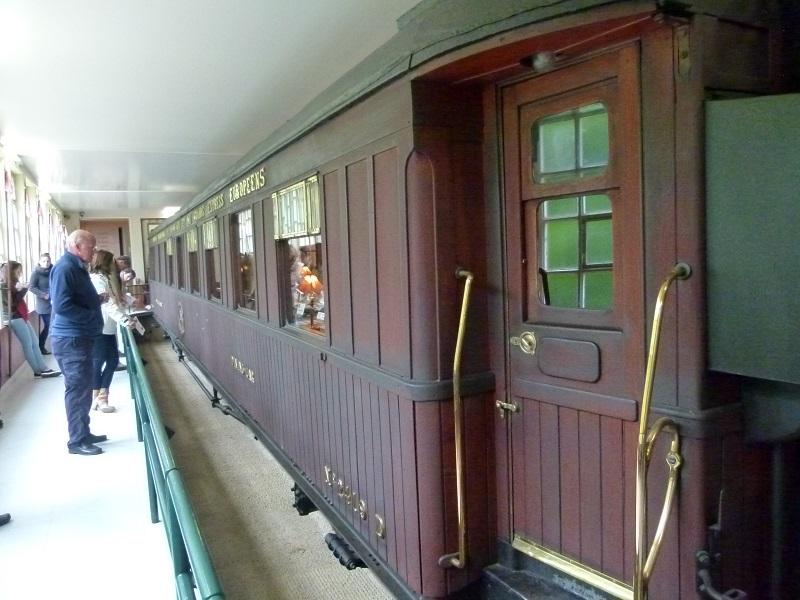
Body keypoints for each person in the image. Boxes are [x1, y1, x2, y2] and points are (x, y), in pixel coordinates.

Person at [50, 230, 107, 456]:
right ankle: (77, 441)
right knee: (77, 390)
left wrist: (96, 300)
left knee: (83, 388)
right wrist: (91, 316)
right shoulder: (65, 268)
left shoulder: (76, 266)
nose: (94, 251)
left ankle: (84, 432)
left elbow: (77, 299)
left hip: (79, 338)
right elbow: (62, 306)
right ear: (76, 246)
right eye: (91, 247)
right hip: (71, 339)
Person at [90, 250, 137, 413]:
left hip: (108, 327)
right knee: (98, 362)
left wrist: (125, 309)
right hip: (100, 328)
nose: (114, 264)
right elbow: (108, 306)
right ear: (105, 262)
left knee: (112, 361)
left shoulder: (107, 279)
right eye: (112, 261)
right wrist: (125, 320)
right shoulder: (97, 280)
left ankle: (101, 397)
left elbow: (116, 301)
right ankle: (98, 398)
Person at [0, 261, 61, 379]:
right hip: (14, 317)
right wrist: (23, 289)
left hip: (21, 316)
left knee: (34, 342)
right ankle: (38, 371)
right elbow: (12, 305)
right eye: (18, 271)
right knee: (28, 344)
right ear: (11, 272)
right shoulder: (3, 286)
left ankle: (44, 368)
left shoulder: (12, 284)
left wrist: (21, 288)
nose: (20, 274)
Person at [28, 253, 53, 354]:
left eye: (48, 261)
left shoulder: (54, 270)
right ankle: (41, 346)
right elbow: (31, 287)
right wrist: (43, 295)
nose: (46, 263)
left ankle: (50, 346)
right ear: (39, 262)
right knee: (48, 325)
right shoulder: (36, 273)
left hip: (54, 302)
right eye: (44, 261)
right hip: (43, 304)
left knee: (54, 325)